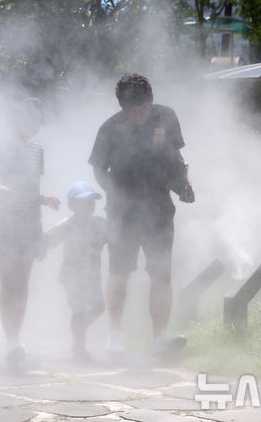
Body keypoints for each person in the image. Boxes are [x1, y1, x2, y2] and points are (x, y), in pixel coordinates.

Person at [88, 73, 195, 357]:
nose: (139, 114)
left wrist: (185, 182)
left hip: (159, 207)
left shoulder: (166, 117)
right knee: (119, 272)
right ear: (121, 106)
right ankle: (115, 336)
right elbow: (99, 170)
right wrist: (114, 194)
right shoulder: (109, 128)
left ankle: (160, 337)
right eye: (132, 110)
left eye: (143, 108)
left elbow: (176, 155)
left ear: (152, 99)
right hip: (122, 212)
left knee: (161, 271)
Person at [0, 97, 61, 369]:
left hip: (29, 225)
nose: (33, 125)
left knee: (22, 283)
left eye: (37, 120)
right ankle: (12, 341)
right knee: (9, 281)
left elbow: (34, 186)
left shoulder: (37, 151)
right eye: (28, 118)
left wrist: (38, 229)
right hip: (1, 224)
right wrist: (36, 199)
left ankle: (16, 337)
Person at [42, 181, 108, 360]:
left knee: (99, 307)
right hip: (72, 274)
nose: (90, 206)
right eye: (84, 202)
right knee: (78, 310)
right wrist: (37, 249)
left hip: (93, 275)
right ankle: (79, 346)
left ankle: (79, 329)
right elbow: (46, 239)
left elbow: (117, 235)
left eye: (92, 202)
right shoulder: (67, 225)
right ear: (71, 205)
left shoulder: (100, 224)